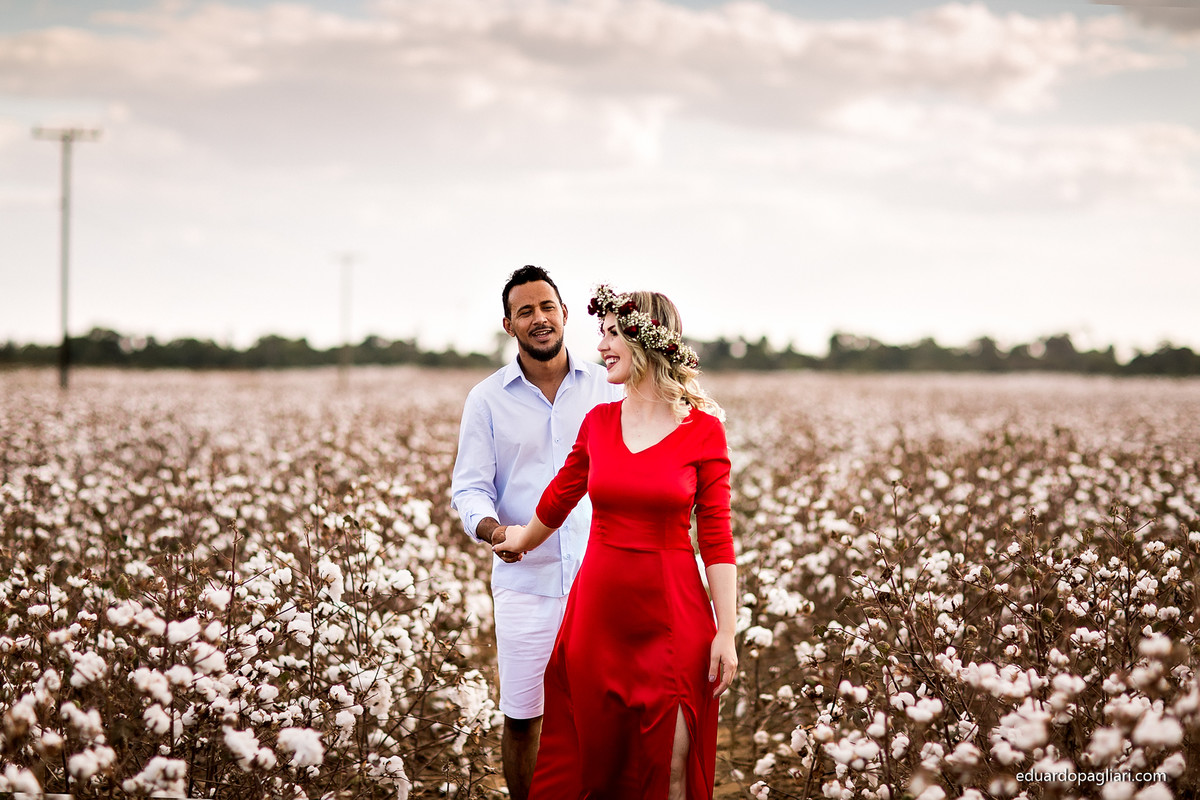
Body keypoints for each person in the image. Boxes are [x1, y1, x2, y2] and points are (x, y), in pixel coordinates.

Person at [494, 284, 738, 800]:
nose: (601, 346)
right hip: (598, 622)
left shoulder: (704, 432)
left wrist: (727, 631)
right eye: (600, 334)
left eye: (611, 334)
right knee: (598, 774)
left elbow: (716, 536)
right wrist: (518, 538)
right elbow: (559, 498)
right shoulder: (599, 422)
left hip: (674, 620)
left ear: (644, 339)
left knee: (671, 768)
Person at [450, 266, 622, 800]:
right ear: (509, 324)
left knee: (605, 713)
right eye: (525, 311)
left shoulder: (610, 386)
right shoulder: (487, 398)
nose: (539, 319)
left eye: (547, 306)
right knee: (524, 717)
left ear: (565, 314)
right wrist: (492, 528)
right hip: (526, 581)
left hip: (604, 576)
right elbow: (469, 487)